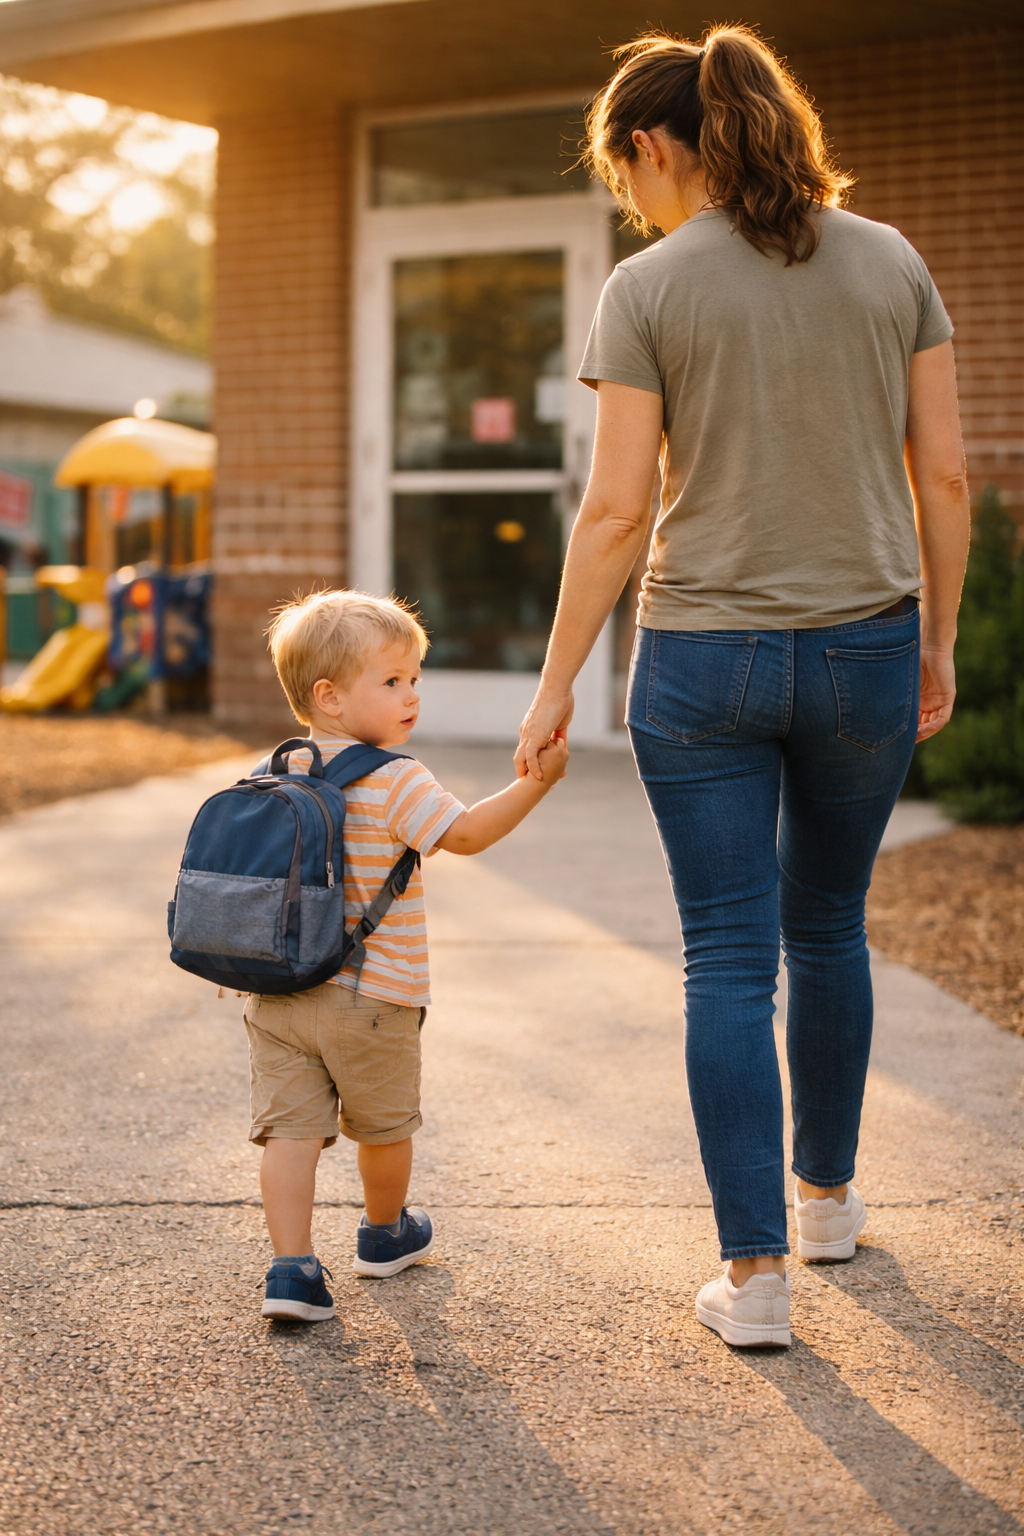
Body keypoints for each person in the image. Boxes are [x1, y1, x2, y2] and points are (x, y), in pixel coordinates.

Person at [516, 25, 970, 1347]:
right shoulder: (891, 260)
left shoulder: (648, 287)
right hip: (865, 650)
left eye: (625, 174)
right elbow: (945, 475)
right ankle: (825, 1206)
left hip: (702, 661)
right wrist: (935, 638)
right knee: (827, 925)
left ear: (656, 147)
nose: (629, 200)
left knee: (728, 955)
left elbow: (613, 512)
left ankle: (756, 1281)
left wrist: (553, 688)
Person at [252, 589, 568, 1322]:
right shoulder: (396, 778)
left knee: (290, 1134)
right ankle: (385, 1233)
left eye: (414, 679)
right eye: (391, 681)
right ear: (328, 697)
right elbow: (462, 834)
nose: (411, 696)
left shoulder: (280, 769)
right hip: (373, 995)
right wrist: (534, 783)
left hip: (276, 993)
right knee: (385, 1128)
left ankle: (290, 1270)